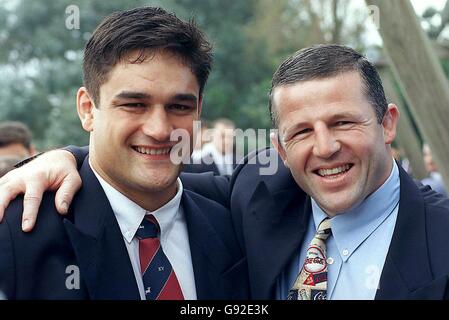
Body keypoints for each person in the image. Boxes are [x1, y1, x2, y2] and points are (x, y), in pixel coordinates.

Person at [2, 45, 449, 300]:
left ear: (387, 123)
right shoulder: (257, 194)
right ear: (279, 149)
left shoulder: (441, 235)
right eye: (301, 132)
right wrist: (62, 157)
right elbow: (143, 173)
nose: (325, 147)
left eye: (343, 122)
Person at [0, 7, 249, 300]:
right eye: (134, 105)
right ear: (87, 109)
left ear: (199, 110)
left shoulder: (235, 221)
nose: (159, 130)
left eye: (179, 106)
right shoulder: (17, 232)